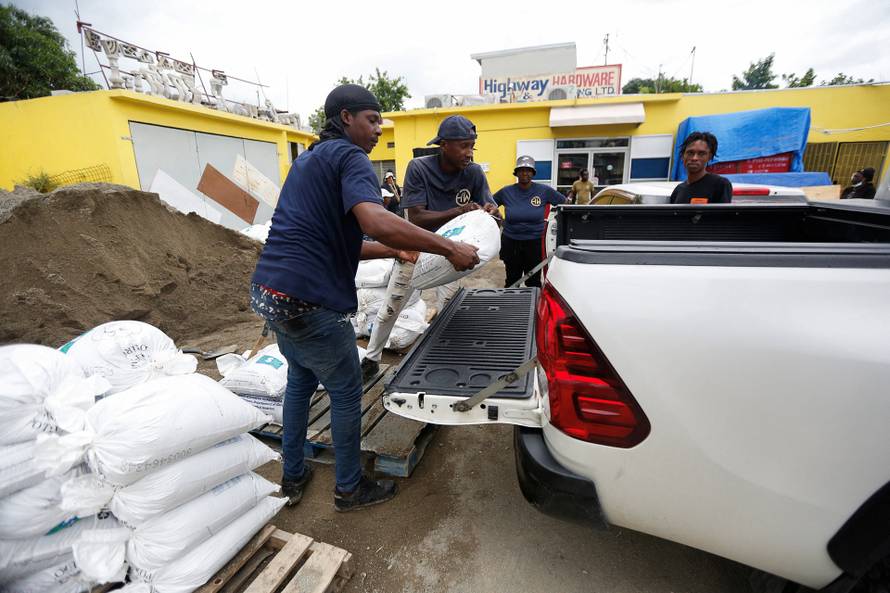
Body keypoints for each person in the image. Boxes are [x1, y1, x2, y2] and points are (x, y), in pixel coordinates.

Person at [250, 84, 480, 512]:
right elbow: (376, 218)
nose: (379, 129)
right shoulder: (350, 157)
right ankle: (349, 488)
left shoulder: (308, 162)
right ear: (345, 119)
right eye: (372, 120)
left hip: (271, 293)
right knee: (345, 390)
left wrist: (394, 250)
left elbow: (342, 241)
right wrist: (448, 247)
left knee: (300, 382)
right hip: (311, 301)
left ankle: (294, 474)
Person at [361, 115, 499, 380]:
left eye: (473, 146)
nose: (469, 153)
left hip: (452, 252)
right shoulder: (419, 168)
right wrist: (459, 209)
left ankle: (441, 362)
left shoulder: (474, 172)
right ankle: (372, 357)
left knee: (448, 306)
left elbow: (490, 208)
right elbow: (416, 218)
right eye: (464, 146)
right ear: (444, 145)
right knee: (392, 306)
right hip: (414, 249)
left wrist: (491, 211)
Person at [494, 155, 566, 287]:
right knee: (512, 279)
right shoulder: (506, 191)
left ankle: (533, 307)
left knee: (533, 281)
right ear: (516, 173)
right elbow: (490, 205)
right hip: (511, 242)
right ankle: (510, 305)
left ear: (533, 173)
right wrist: (498, 219)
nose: (525, 173)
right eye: (521, 170)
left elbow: (565, 204)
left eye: (528, 170)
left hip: (535, 243)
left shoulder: (544, 191)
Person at [670, 131, 733, 204]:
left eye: (701, 153)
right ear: (683, 156)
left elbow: (724, 215)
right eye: (690, 153)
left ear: (709, 157)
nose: (694, 158)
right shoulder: (678, 190)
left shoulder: (720, 184)